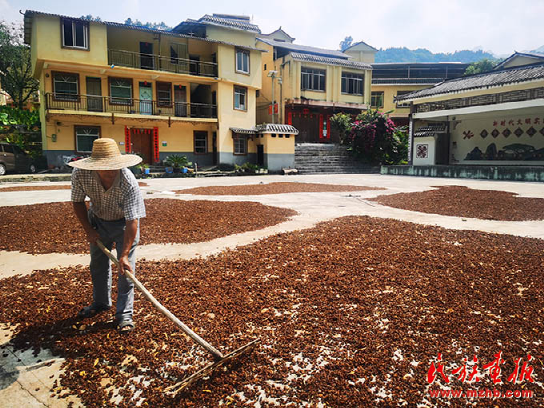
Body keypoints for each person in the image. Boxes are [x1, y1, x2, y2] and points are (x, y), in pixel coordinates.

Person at [69, 138, 146, 333]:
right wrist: (89, 230)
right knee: (97, 265)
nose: (112, 171)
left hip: (123, 225)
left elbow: (132, 221)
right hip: (97, 221)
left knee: (126, 270)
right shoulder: (80, 174)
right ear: (95, 167)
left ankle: (124, 315)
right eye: (106, 167)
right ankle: (101, 302)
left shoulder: (128, 182)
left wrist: (124, 254)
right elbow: (77, 202)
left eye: (114, 167)